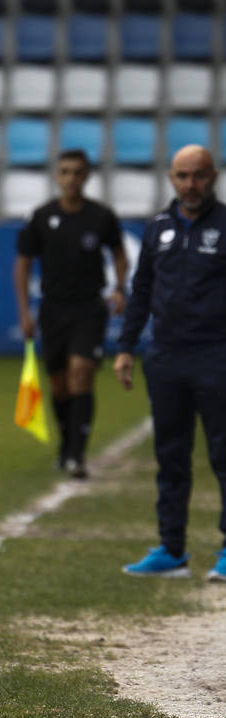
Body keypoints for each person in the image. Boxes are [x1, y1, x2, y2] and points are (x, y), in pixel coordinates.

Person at [115, 144, 226, 581]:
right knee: (171, 456)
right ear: (170, 178)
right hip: (165, 357)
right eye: (182, 176)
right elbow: (141, 290)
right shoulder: (157, 227)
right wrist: (126, 347)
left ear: (213, 176)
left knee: (224, 455)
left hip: (217, 355)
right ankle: (171, 549)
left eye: (198, 175)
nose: (190, 185)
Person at [14, 148, 129, 480]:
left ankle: (77, 455)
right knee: (60, 385)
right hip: (53, 309)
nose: (71, 179)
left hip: (89, 307)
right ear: (56, 175)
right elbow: (22, 264)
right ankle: (66, 445)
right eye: (65, 172)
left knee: (82, 372)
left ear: (87, 176)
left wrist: (119, 287)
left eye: (78, 172)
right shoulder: (41, 217)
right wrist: (24, 312)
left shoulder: (101, 217)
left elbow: (120, 254)